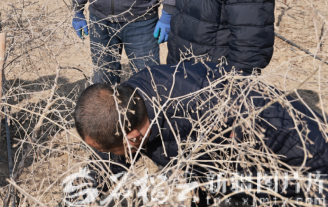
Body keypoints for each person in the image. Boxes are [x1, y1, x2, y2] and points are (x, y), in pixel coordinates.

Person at [74, 63, 328, 202]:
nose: (111, 155)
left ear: (133, 138)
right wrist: (86, 187)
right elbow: (110, 151)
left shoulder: (207, 111)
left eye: (116, 150)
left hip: (304, 160)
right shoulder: (129, 101)